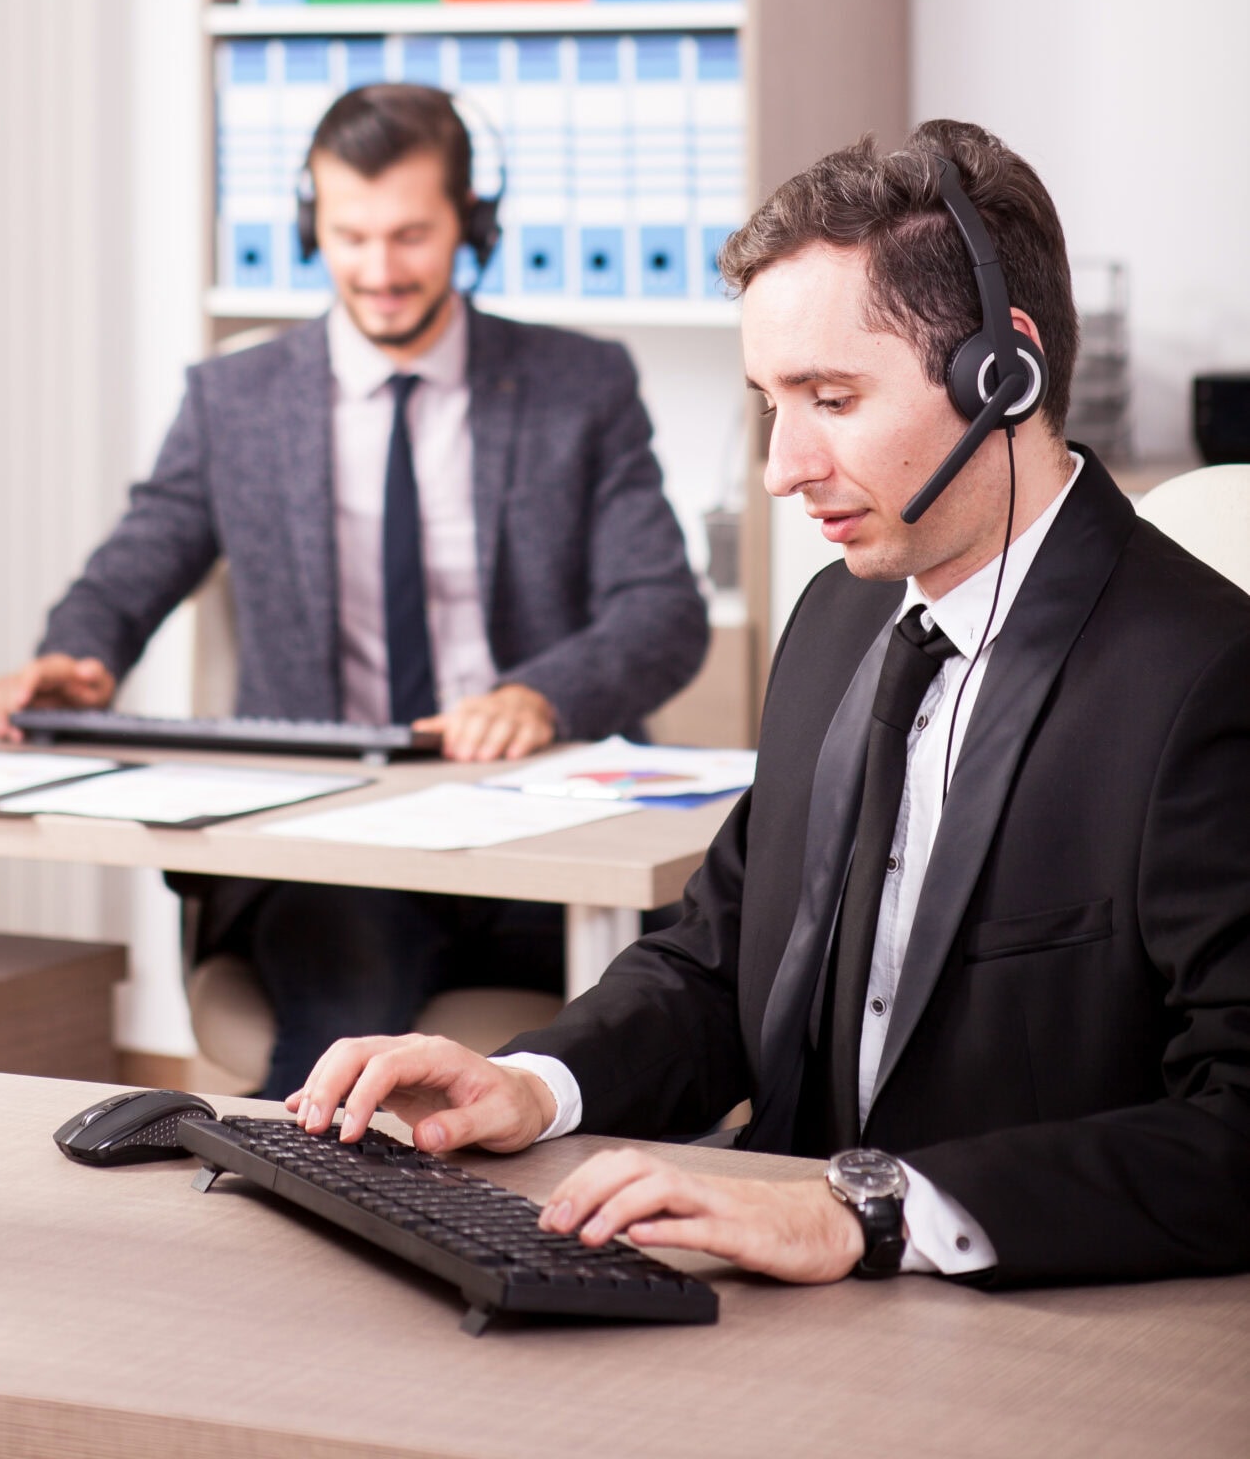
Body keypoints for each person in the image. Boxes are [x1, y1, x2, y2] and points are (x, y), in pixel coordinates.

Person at [288, 120, 1250, 1289]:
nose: (781, 466)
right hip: (779, 1293)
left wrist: (868, 1212)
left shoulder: (1202, 678)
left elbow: (1237, 1121)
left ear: (1005, 373)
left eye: (831, 397)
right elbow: (719, 955)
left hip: (1029, 1316)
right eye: (768, 403)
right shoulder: (842, 620)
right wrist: (533, 1083)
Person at [0, 82, 709, 1097]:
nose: (380, 271)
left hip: (543, 827)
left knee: (655, 1034)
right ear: (310, 227)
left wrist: (539, 695)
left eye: (411, 234)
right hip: (341, 839)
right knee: (341, 1008)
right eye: (350, 235)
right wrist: (78, 651)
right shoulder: (235, 399)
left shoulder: (577, 385)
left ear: (470, 221)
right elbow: (138, 560)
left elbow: (662, 610)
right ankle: (282, 1205)